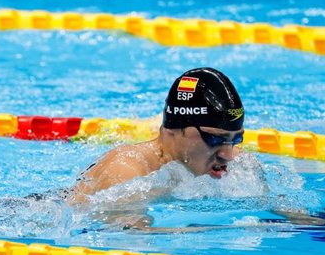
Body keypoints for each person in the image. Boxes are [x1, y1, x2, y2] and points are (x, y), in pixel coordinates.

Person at [68, 67, 245, 205]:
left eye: (235, 139)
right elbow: (129, 238)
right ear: (172, 131)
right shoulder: (126, 172)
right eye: (213, 138)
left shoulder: (241, 165)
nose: (227, 155)